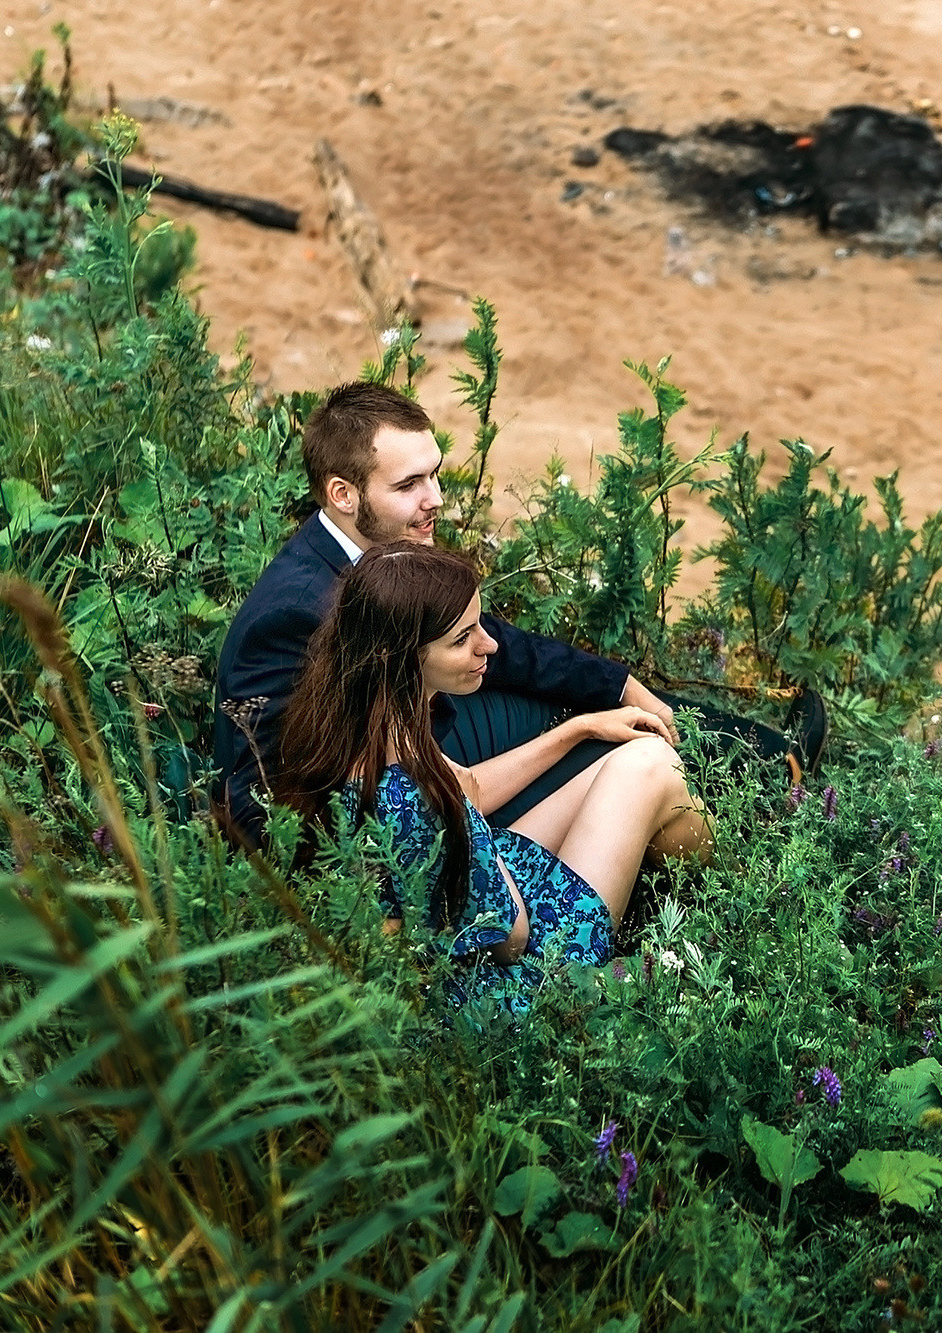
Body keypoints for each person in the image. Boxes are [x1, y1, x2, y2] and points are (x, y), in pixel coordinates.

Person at [213, 380, 821, 846]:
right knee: (604, 753)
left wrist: (621, 684)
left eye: (435, 475)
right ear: (343, 494)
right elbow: (259, 798)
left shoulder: (384, 545)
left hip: (440, 726)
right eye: (409, 485)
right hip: (418, 800)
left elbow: (499, 644)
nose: (436, 500)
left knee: (594, 702)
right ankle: (746, 831)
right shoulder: (294, 613)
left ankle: (773, 760)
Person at [274, 542, 708, 1010]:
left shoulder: (365, 722)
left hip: (471, 903)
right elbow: (512, 937)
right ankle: (711, 902)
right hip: (510, 983)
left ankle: (690, 897)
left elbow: (463, 794)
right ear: (397, 656)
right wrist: (471, 826)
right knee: (651, 764)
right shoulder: (402, 791)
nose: (490, 644)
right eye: (462, 639)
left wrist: (579, 729)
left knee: (631, 757)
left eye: (479, 624)